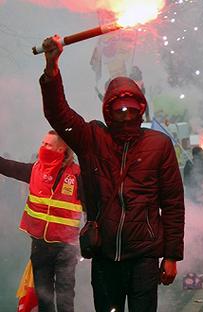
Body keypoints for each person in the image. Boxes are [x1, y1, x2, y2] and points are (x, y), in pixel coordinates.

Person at [40, 36, 185, 312]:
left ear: (141, 108)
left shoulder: (159, 144)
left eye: (131, 106)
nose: (125, 112)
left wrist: (171, 256)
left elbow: (173, 204)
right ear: (107, 109)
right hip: (104, 257)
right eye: (118, 107)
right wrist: (52, 69)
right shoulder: (93, 138)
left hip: (144, 258)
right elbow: (58, 114)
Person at [0, 131, 82, 312]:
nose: (43, 147)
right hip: (40, 245)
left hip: (66, 248)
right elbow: (9, 166)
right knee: (43, 297)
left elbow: (95, 205)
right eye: (43, 143)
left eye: (48, 145)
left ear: (61, 149)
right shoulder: (35, 170)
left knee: (65, 298)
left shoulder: (77, 176)